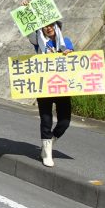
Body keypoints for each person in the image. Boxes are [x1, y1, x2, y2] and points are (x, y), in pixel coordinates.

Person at [27, 14, 74, 168]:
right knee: (46, 120)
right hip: (45, 86)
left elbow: (74, 58)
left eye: (51, 24)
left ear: (57, 26)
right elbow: (29, 32)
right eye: (45, 26)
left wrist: (69, 53)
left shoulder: (65, 42)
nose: (48, 28)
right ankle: (47, 152)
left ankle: (50, 141)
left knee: (65, 121)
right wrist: (28, 10)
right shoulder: (39, 43)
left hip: (61, 86)